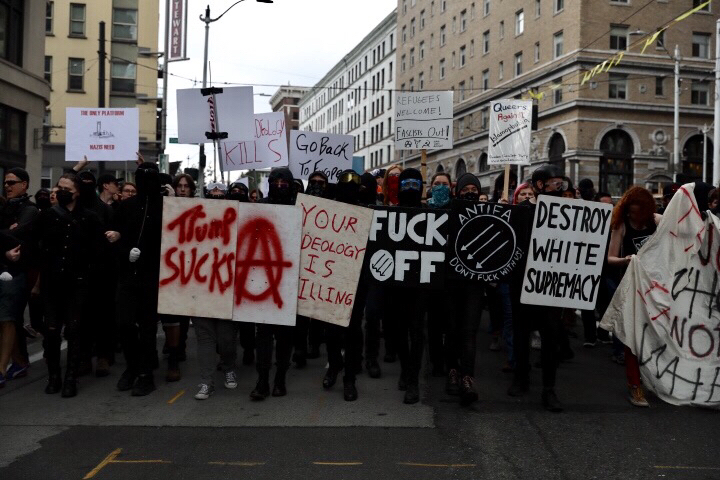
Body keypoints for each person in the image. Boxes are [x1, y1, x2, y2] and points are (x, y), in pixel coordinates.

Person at [33, 174, 105, 397]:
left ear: (76, 193)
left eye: (66, 188)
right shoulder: (46, 216)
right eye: (59, 187)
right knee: (52, 331)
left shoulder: (89, 218)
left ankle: (70, 378)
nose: (61, 191)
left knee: (74, 330)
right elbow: (32, 242)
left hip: (78, 283)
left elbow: (98, 251)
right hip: (52, 283)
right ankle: (54, 376)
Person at [507, 164, 566, 412]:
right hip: (522, 283)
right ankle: (521, 377)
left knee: (551, 336)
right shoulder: (522, 211)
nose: (560, 188)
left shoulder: (569, 213)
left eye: (561, 184)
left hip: (551, 286)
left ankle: (549, 388)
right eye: (555, 184)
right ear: (540, 185)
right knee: (521, 333)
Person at [606, 186, 662, 407]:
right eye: (630, 211)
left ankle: (653, 379)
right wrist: (626, 260)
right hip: (631, 287)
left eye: (637, 212)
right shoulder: (621, 225)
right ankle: (634, 384)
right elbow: (610, 257)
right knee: (633, 339)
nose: (633, 216)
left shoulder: (656, 222)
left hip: (657, 288)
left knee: (656, 335)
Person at [113, 162, 164, 396]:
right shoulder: (125, 207)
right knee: (124, 324)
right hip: (128, 275)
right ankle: (132, 367)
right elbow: (114, 236)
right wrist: (126, 251)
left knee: (147, 328)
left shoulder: (165, 207)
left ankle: (145, 373)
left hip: (153, 275)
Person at [322, 169, 368, 401]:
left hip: (357, 281)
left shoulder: (367, 213)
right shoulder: (328, 213)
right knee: (331, 330)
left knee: (352, 332)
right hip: (330, 279)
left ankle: (350, 378)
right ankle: (334, 365)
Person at [251, 167, 296, 400]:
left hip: (289, 281)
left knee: (285, 336)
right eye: (275, 181)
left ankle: (280, 379)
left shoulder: (299, 208)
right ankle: (262, 380)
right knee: (264, 334)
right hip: (263, 280)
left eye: (284, 181)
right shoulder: (261, 206)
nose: (280, 185)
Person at [383, 168, 428, 404]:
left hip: (419, 286)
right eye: (405, 183)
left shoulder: (430, 216)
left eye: (415, 183)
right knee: (399, 331)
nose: (410, 187)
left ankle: (413, 380)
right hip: (395, 284)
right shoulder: (391, 215)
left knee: (417, 332)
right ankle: (405, 369)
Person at [0, 168, 39, 382]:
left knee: (10, 317)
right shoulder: (6, 207)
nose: (7, 186)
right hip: (4, 267)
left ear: (24, 184)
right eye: (6, 182)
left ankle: (11, 365)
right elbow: (10, 235)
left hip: (19, 271)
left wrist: (8, 233)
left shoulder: (30, 210)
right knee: (8, 319)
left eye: (12, 182)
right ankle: (18, 361)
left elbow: (19, 234)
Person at [426, 172, 452, 377]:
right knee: (433, 322)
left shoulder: (457, 209)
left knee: (449, 321)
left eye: (444, 184)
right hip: (429, 273)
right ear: (431, 186)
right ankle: (435, 360)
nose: (440, 187)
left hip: (450, 275)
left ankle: (449, 359)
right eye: (437, 184)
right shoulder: (424, 209)